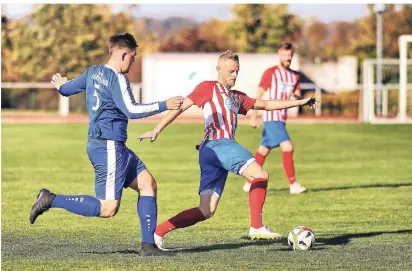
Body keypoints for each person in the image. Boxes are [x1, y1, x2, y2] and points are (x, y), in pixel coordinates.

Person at [138, 50, 317, 250]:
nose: (234, 75)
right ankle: (256, 227)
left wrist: (299, 102)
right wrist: (156, 129)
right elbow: (181, 108)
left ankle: (157, 232)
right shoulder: (207, 87)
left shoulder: (237, 97)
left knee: (206, 210)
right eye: (231, 71)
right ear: (219, 70)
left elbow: (266, 104)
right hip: (218, 145)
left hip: (209, 152)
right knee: (260, 175)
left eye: (237, 71)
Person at [29, 33, 183, 257]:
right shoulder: (117, 78)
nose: (133, 61)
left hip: (111, 145)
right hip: (108, 146)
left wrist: (61, 85)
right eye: (132, 57)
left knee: (148, 184)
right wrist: (164, 104)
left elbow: (66, 90)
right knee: (108, 208)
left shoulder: (93, 72)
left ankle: (148, 246)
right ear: (122, 53)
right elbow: (132, 109)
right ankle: (50, 199)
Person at [243, 42, 307, 195]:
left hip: (282, 117)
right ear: (279, 54)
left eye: (290, 56)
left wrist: (296, 96)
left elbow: (297, 94)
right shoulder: (270, 72)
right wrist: (253, 115)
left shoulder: (294, 75)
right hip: (271, 117)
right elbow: (258, 95)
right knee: (288, 147)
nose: (288, 58)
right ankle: (293, 184)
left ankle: (248, 181)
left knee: (263, 150)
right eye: (285, 55)